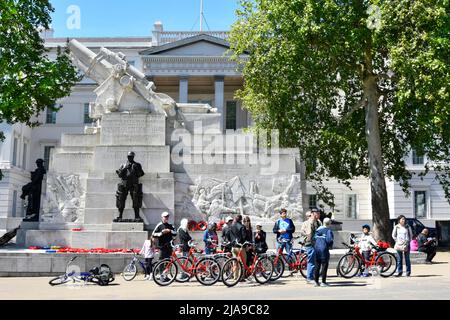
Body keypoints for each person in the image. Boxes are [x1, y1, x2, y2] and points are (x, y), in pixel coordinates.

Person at [114, 151, 145, 222]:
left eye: (131, 156)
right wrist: (125, 168)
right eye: (129, 156)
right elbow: (119, 175)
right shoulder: (123, 165)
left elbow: (141, 174)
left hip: (134, 184)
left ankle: (137, 216)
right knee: (121, 200)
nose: (130, 158)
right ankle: (120, 215)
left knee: (136, 200)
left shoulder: (137, 164)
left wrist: (137, 169)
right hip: (124, 184)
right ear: (127, 157)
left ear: (133, 157)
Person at [300, 208, 322, 284]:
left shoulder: (318, 222)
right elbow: (307, 233)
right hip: (310, 244)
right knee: (311, 261)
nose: (319, 215)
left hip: (316, 244)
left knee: (315, 261)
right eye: (317, 213)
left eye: (319, 213)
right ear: (313, 214)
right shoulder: (308, 222)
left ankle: (313, 276)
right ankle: (309, 278)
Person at [313, 218, 334, 287]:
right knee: (324, 266)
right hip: (324, 250)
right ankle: (323, 282)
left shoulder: (318, 230)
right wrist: (330, 246)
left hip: (316, 249)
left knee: (317, 265)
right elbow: (329, 240)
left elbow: (314, 239)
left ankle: (316, 282)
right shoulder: (328, 231)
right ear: (329, 223)